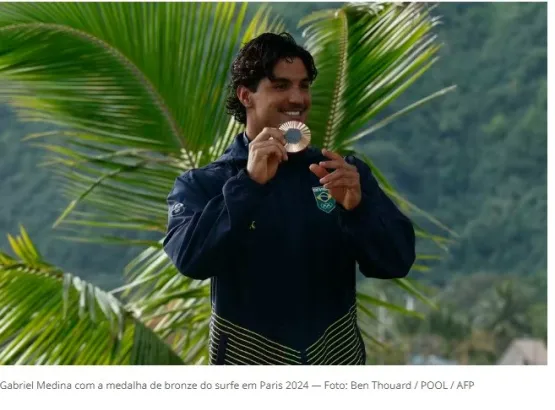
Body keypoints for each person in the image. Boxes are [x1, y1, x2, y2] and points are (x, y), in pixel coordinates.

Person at [163, 32, 416, 365]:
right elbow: (192, 260)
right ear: (246, 96)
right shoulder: (202, 184)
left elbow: (396, 261)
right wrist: (250, 184)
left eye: (304, 86)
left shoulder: (340, 174)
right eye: (280, 86)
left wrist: (357, 209)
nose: (297, 98)